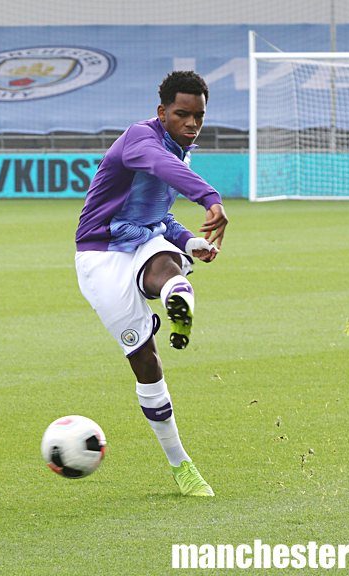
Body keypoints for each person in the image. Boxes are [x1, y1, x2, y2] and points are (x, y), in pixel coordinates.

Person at [74, 70, 229, 496]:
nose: (192, 124)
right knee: (145, 362)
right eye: (182, 115)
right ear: (162, 112)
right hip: (100, 256)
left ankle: (177, 295)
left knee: (166, 263)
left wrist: (190, 240)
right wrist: (210, 198)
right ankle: (176, 458)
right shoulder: (140, 140)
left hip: (143, 242)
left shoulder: (183, 149)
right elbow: (161, 167)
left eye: (199, 116)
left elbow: (158, 216)